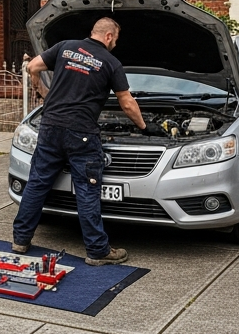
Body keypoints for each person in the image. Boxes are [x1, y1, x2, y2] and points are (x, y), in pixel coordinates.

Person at [11, 17, 146, 265]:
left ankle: (20, 240)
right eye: (115, 38)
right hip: (81, 134)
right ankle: (97, 251)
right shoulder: (111, 62)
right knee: (86, 191)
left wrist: (42, 91)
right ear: (108, 36)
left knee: (38, 184)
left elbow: (33, 67)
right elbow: (127, 103)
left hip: (50, 126)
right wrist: (143, 126)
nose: (115, 43)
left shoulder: (65, 47)